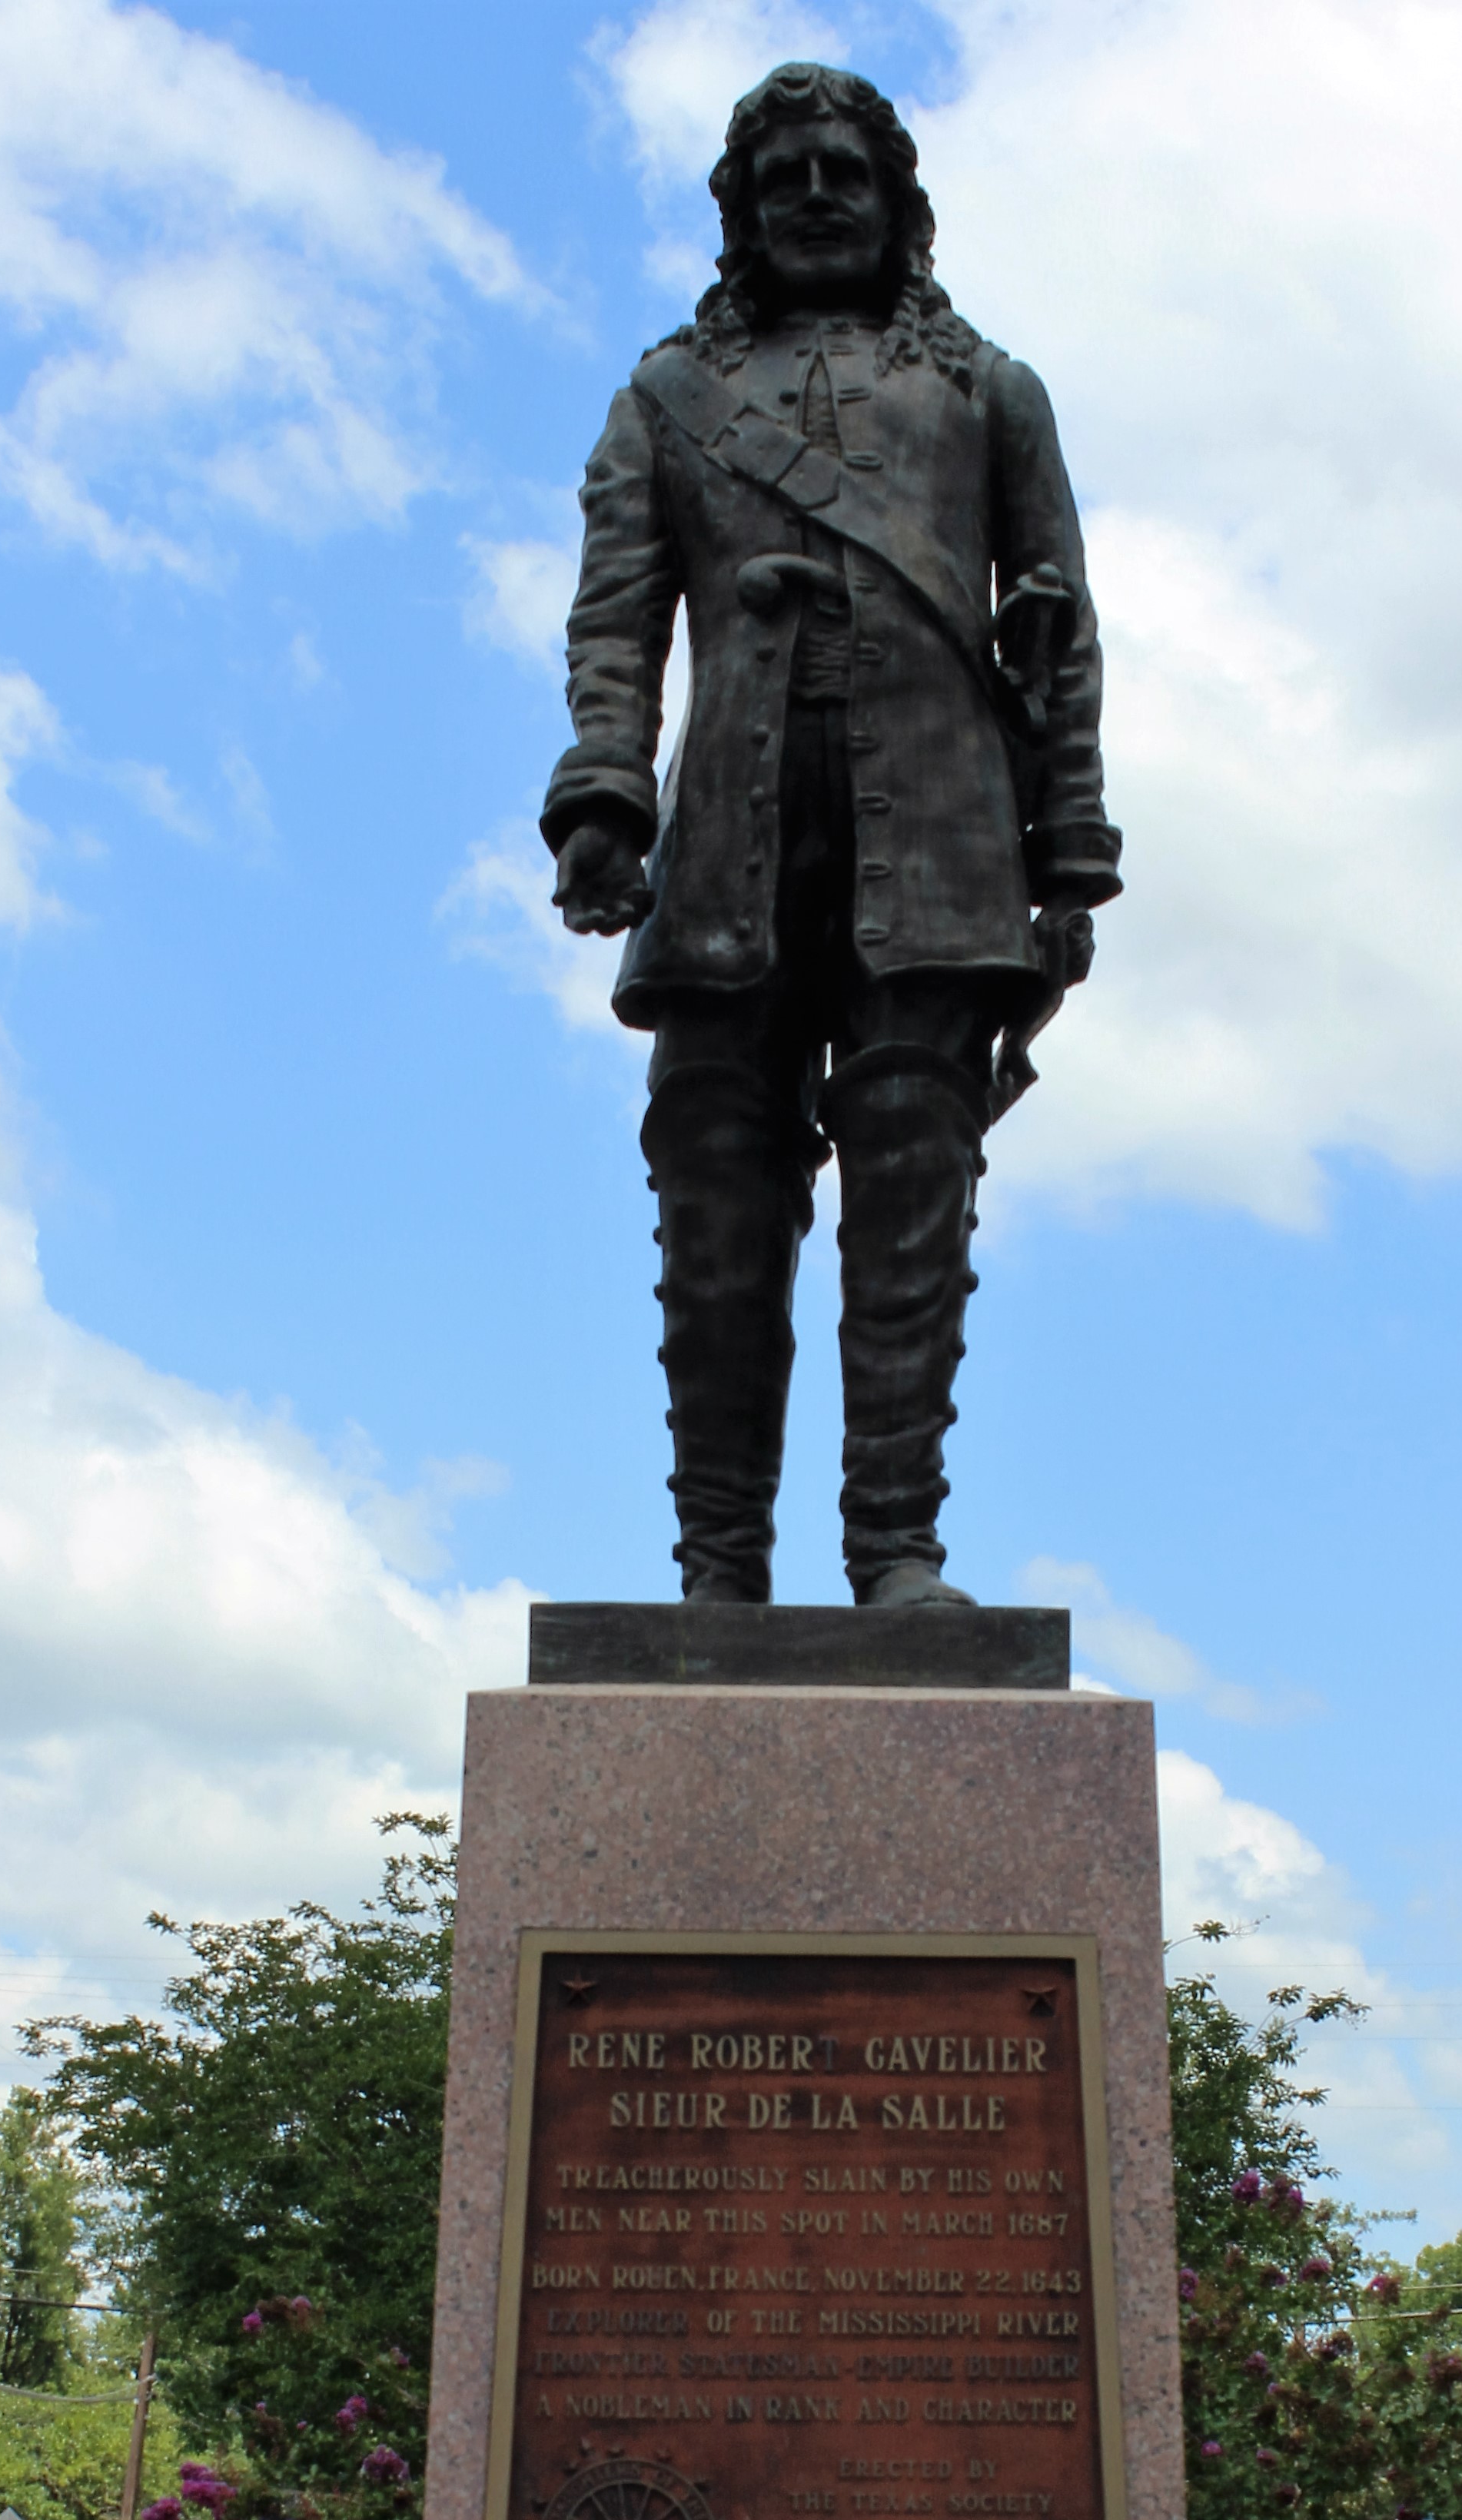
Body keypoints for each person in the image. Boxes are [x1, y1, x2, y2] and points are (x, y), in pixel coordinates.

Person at [544, 62, 1121, 1607]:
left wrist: (1066, 852)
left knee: (910, 1201)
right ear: (738, 213)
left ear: (893, 205)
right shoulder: (665, 398)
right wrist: (606, 795)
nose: (810, 193)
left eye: (839, 171)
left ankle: (894, 1557)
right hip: (728, 835)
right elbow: (616, 622)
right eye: (779, 173)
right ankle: (717, 1571)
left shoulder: (987, 391)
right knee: (717, 1207)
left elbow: (1056, 633)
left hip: (938, 842)